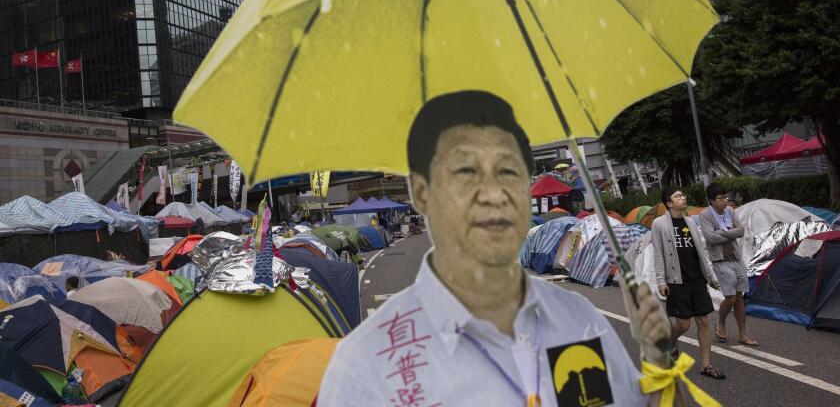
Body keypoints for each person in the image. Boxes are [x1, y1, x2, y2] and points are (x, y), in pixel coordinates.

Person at [319, 91, 678, 406]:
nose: (493, 193)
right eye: (466, 172)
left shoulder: (578, 320)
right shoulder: (365, 365)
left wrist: (658, 360)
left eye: (508, 170)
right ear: (422, 192)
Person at [651, 187, 725, 380]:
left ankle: (706, 365)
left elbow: (701, 252)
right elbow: (658, 254)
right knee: (683, 324)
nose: (683, 198)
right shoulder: (659, 224)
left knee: (703, 321)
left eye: (683, 195)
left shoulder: (691, 222)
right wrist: (661, 281)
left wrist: (710, 277)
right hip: (676, 280)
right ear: (669, 203)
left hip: (696, 279)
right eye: (678, 196)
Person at [698, 183, 759, 346]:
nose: (725, 201)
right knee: (730, 297)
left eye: (726, 197)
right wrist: (729, 234)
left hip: (736, 258)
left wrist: (722, 233)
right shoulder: (705, 215)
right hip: (720, 260)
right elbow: (710, 238)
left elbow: (741, 230)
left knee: (740, 298)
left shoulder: (730, 211)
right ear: (711, 200)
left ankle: (742, 334)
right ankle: (721, 322)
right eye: (720, 198)